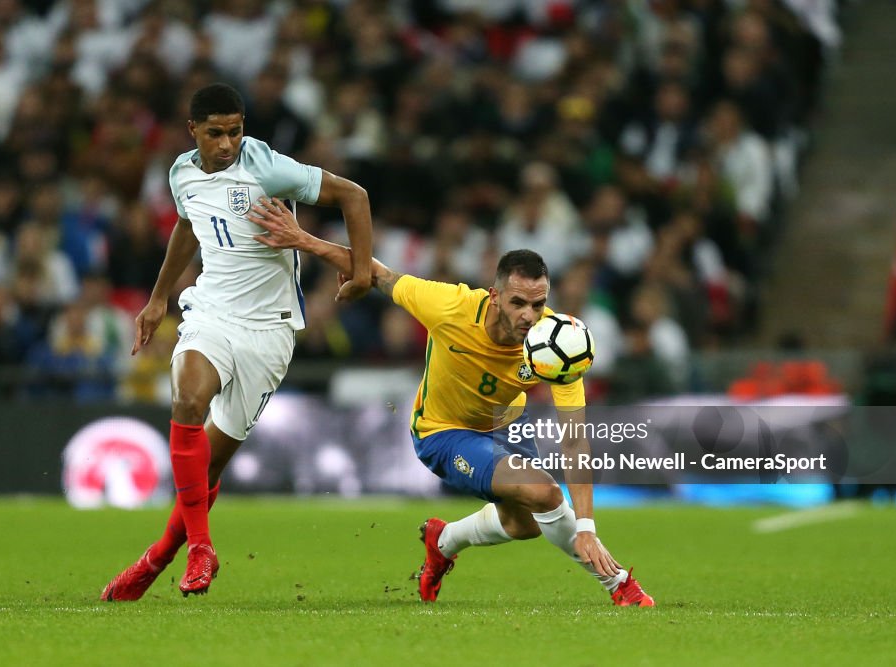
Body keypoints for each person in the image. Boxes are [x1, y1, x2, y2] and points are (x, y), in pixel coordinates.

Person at [249, 198, 654, 607]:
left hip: (505, 422)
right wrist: (302, 240)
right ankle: (618, 584)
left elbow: (575, 441)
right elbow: (375, 272)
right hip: (444, 431)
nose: (529, 316)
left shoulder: (557, 346)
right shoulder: (450, 306)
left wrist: (585, 523)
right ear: (495, 296)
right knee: (545, 494)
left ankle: (442, 540)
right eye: (518, 303)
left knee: (525, 524)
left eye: (538, 303)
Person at [100, 83, 373, 600]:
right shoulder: (182, 173)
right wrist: (159, 299)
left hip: (269, 331)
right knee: (186, 399)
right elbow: (188, 225)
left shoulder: (267, 167)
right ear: (193, 132)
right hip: (212, 312)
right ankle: (201, 548)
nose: (227, 144)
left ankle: (158, 558)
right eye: (215, 133)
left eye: (235, 131)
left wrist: (359, 274)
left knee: (208, 467)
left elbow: (353, 195)